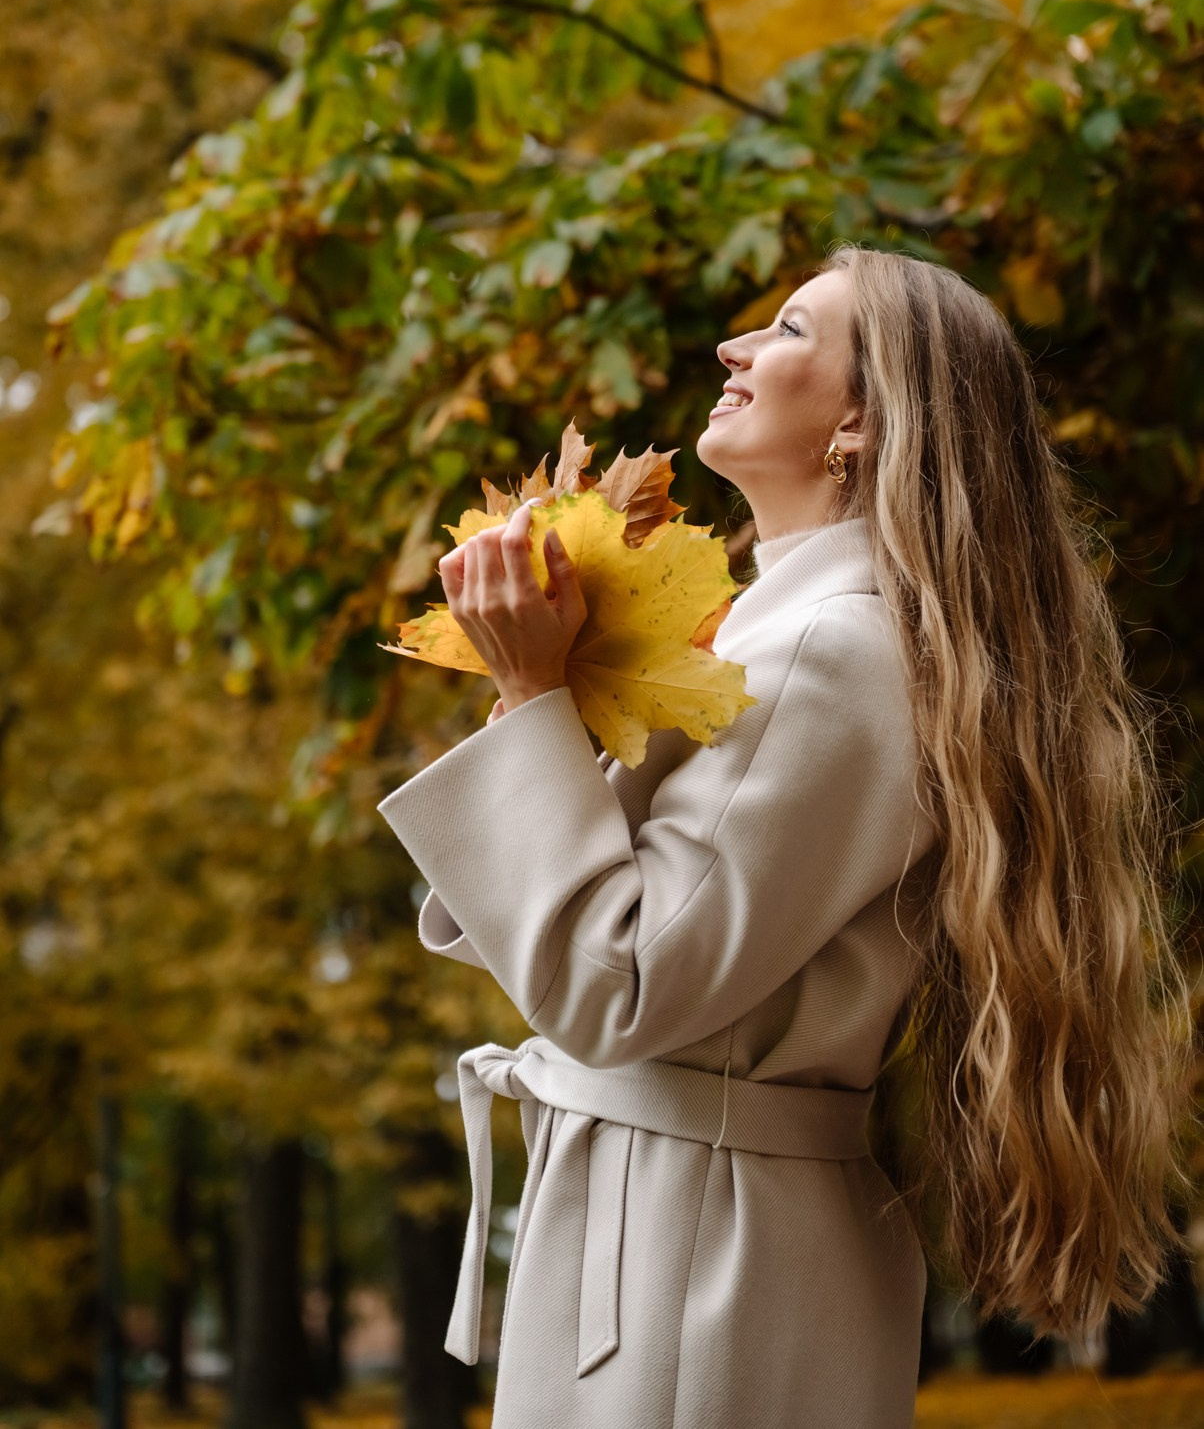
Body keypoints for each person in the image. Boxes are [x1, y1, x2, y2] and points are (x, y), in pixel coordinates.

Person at [376, 244, 1190, 1428]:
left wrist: (533, 695)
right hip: (700, 1219)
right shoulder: (794, 634)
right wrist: (534, 692)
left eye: (792, 329)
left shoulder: (822, 650)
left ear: (862, 419)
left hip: (687, 1249)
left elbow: (621, 983)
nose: (735, 347)